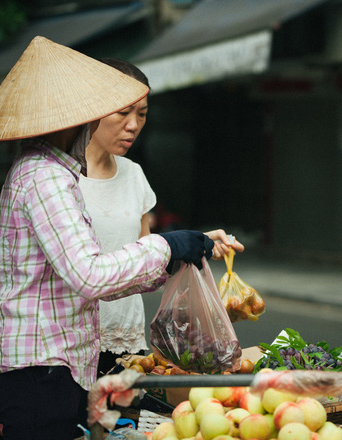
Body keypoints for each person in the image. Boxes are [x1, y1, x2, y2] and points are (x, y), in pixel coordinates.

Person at [0, 36, 215, 440]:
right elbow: (90, 275)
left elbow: (84, 280)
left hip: (53, 369)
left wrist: (170, 259)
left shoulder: (54, 172)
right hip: (41, 372)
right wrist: (167, 246)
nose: (129, 123)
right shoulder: (44, 177)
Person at [78, 57, 244, 375]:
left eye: (141, 114)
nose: (133, 125)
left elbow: (147, 255)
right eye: (123, 112)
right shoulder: (58, 180)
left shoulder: (133, 175)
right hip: (72, 342)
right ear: (93, 107)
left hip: (126, 340)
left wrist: (197, 242)